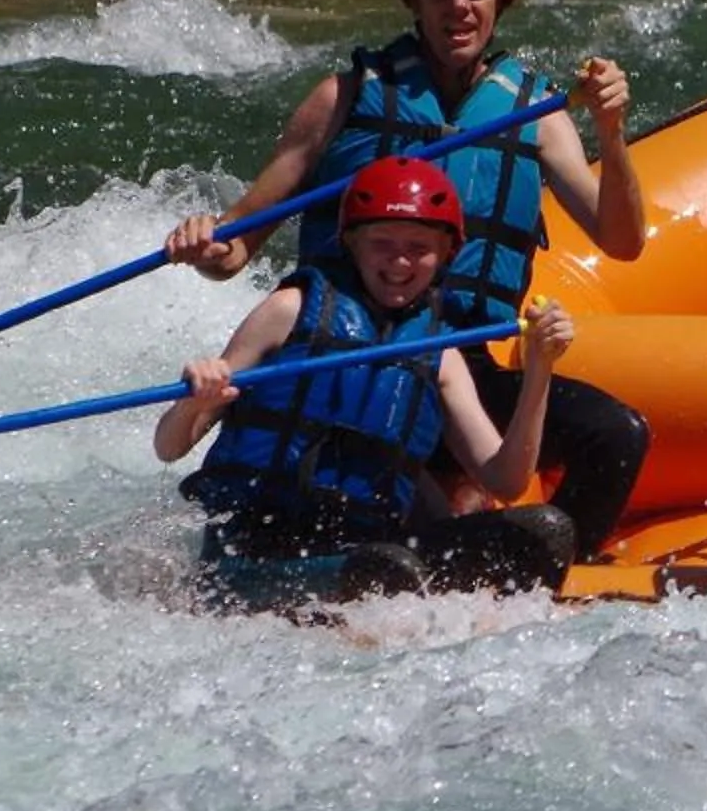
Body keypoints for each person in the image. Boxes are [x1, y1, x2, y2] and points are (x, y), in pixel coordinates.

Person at [165, 0, 650, 554]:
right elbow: (233, 249)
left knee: (616, 433)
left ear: (501, 0)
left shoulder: (537, 112)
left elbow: (622, 241)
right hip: (347, 353)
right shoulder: (341, 99)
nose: (460, 7)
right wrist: (203, 240)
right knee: (402, 513)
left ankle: (556, 576)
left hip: (459, 362)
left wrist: (612, 134)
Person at [154, 157, 580, 616]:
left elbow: (507, 480)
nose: (399, 262)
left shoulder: (441, 353)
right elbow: (168, 446)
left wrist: (539, 368)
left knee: (543, 532)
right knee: (385, 571)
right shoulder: (289, 311)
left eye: (419, 248)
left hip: (366, 550)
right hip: (251, 561)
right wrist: (193, 403)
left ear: (447, 254)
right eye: (382, 244)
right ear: (352, 244)